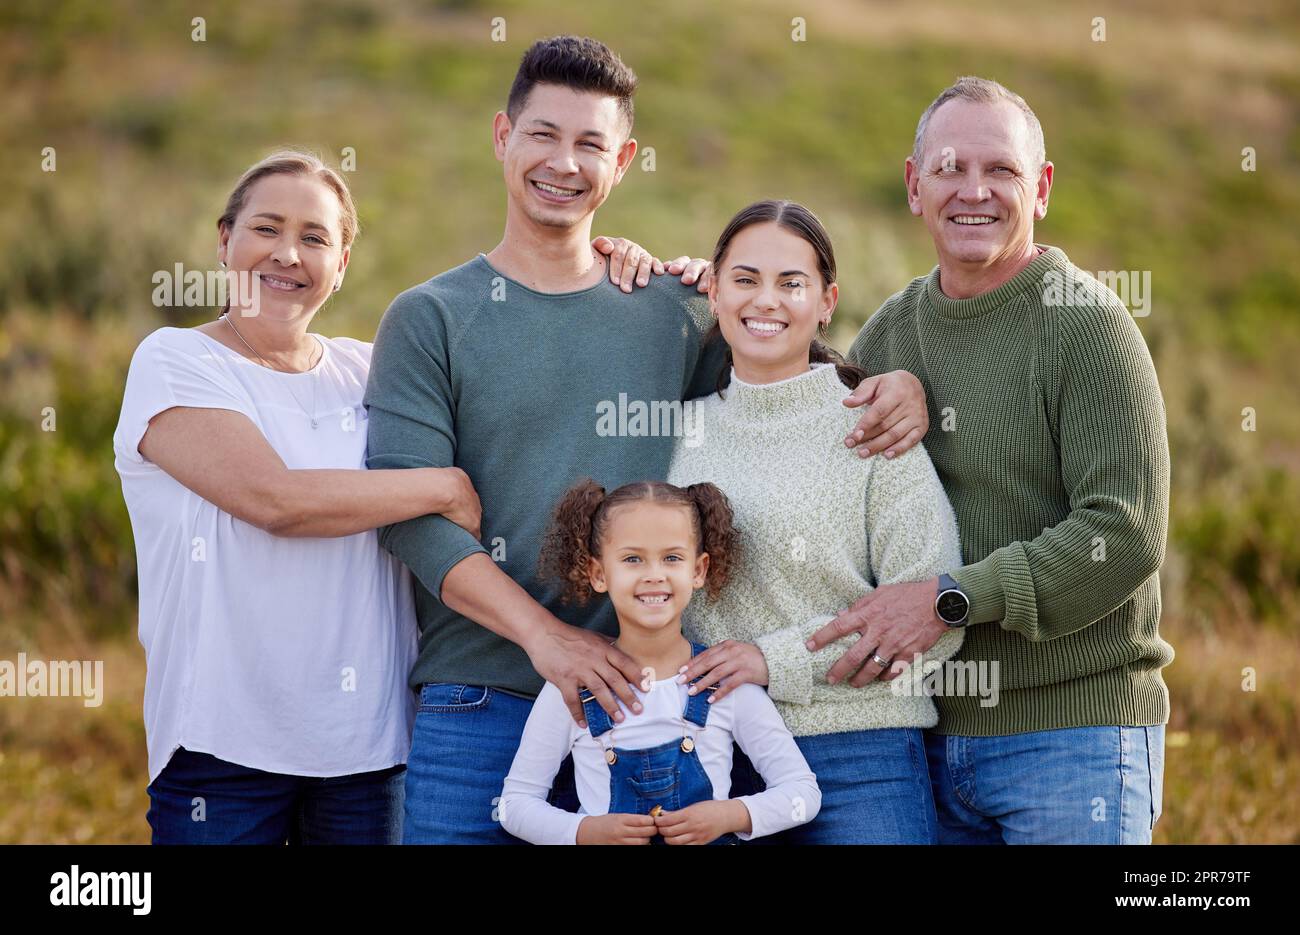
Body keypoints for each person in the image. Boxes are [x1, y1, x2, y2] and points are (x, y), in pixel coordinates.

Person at [363, 35, 929, 844]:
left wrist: (890, 382)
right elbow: (409, 515)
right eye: (543, 135)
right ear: (501, 137)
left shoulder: (671, 309)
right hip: (483, 699)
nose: (564, 162)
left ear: (623, 161)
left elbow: (776, 377)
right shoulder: (430, 317)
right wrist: (545, 638)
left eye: (591, 143)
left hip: (658, 714)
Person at [111, 149, 662, 844]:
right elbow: (275, 500)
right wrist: (438, 484)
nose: (287, 253)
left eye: (315, 238)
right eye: (265, 229)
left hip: (367, 750)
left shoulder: (363, 368)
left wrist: (623, 268)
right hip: (223, 744)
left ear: (341, 265)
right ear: (224, 240)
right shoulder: (176, 362)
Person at [836, 76, 1172, 844]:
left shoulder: (1087, 324)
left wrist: (952, 598)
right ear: (915, 185)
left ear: (1042, 188)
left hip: (1073, 736)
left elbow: (1123, 535)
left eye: (1002, 171)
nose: (974, 191)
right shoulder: (890, 335)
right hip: (921, 742)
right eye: (950, 168)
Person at [669, 200, 964, 843]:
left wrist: (770, 661)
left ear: (827, 300)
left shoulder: (873, 425)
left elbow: (935, 619)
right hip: (716, 755)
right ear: (714, 290)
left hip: (861, 756)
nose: (765, 301)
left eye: (791, 283)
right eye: (745, 280)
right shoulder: (676, 435)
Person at [499, 479, 820, 845]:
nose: (654, 574)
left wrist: (729, 815)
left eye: (672, 558)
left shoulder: (726, 683)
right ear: (599, 573)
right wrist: (583, 831)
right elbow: (515, 806)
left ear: (697, 571)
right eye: (632, 559)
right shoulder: (573, 690)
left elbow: (802, 794)